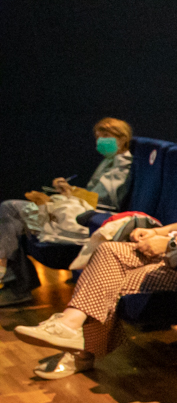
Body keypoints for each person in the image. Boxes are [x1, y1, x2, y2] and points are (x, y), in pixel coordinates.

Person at [16, 131, 177, 379]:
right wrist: (155, 232)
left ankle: (79, 350)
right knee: (108, 251)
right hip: (174, 255)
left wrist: (169, 243)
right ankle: (70, 326)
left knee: (106, 281)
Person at [0, 117, 134, 306]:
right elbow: (94, 196)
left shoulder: (124, 164)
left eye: (105, 135)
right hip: (78, 212)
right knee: (13, 218)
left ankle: (17, 284)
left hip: (87, 219)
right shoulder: (109, 161)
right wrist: (69, 190)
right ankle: (16, 282)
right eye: (98, 137)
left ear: (122, 137)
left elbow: (104, 201)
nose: (100, 141)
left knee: (10, 209)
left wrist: (71, 193)